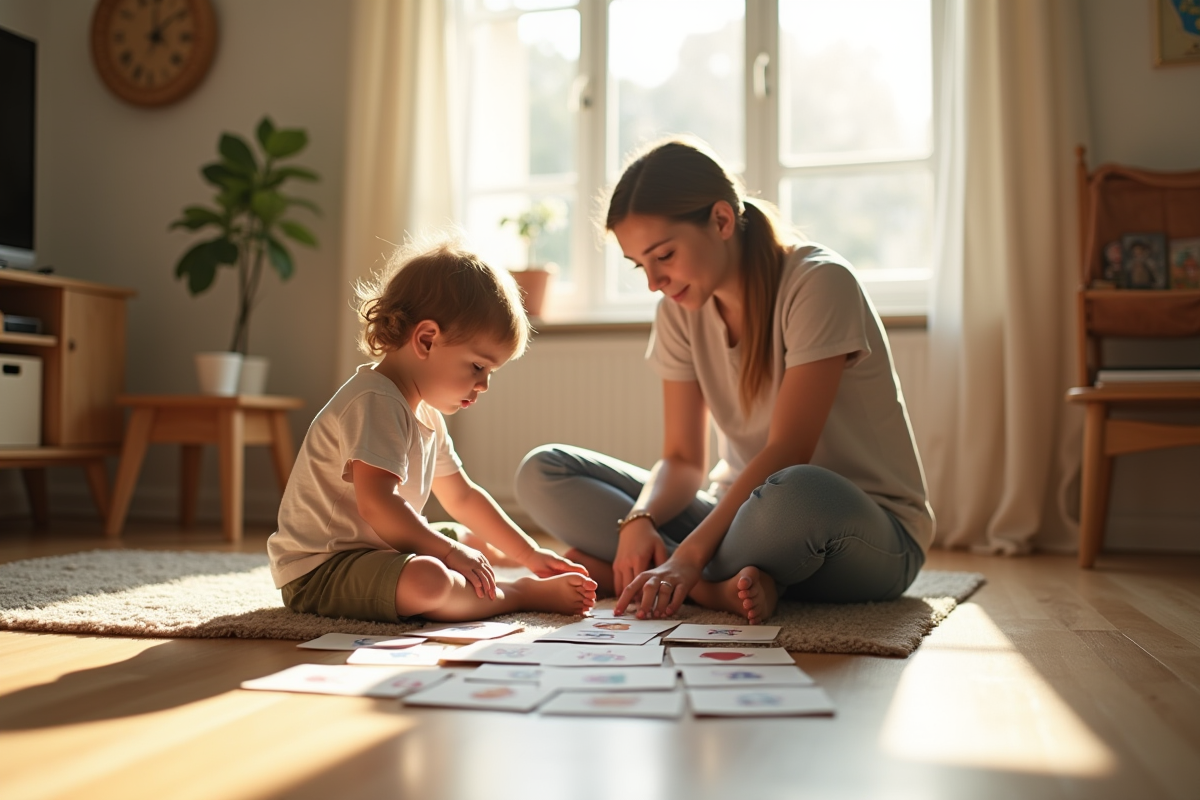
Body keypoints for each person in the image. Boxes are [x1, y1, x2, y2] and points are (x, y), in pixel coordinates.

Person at [515, 137, 934, 623]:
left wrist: (688, 557)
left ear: (720, 220)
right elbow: (682, 459)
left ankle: (671, 577)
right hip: (736, 517)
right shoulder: (677, 310)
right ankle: (715, 586)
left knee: (795, 492)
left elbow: (788, 451)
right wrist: (640, 518)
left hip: (857, 530)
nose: (654, 282)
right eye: (640, 266)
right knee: (543, 471)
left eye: (664, 256)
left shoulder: (819, 282)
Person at [267, 237, 597, 623]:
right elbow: (378, 504)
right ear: (426, 340)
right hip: (323, 570)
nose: (484, 384)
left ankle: (504, 573)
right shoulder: (375, 401)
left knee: (467, 537)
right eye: (478, 367)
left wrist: (530, 553)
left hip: (377, 552)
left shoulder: (425, 414)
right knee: (429, 579)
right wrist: (449, 555)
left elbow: (463, 497)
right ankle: (516, 593)